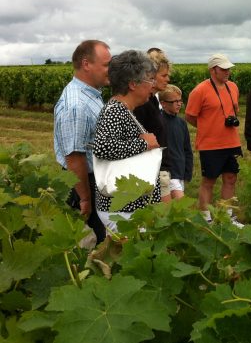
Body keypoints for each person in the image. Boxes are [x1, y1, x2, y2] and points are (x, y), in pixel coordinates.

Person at [93, 50, 161, 232]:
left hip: (129, 209)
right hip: (123, 211)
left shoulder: (124, 110)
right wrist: (144, 144)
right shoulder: (115, 111)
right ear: (133, 84)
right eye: (150, 81)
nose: (152, 86)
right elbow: (102, 147)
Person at [54, 40, 111, 245]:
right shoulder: (76, 105)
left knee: (102, 239)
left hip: (94, 179)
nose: (110, 70)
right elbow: (74, 157)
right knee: (93, 242)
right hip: (84, 183)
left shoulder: (92, 95)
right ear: (87, 64)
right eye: (106, 65)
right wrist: (85, 198)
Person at [185, 53, 243, 227]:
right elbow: (190, 116)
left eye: (229, 69)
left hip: (232, 141)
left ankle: (227, 217)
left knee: (231, 178)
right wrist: (207, 128)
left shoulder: (233, 87)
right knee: (209, 181)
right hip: (210, 144)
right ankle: (205, 218)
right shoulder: (200, 90)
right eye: (223, 69)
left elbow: (235, 109)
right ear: (212, 70)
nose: (227, 72)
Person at [134, 48, 172, 203]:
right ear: (150, 76)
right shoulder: (142, 104)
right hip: (151, 170)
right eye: (164, 75)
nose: (168, 79)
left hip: (159, 166)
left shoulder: (153, 100)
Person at [159, 84, 193, 199]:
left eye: (180, 101)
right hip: (168, 172)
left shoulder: (181, 123)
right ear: (163, 104)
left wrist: (187, 172)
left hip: (180, 171)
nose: (179, 104)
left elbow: (187, 149)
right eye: (174, 101)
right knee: (181, 205)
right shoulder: (159, 123)